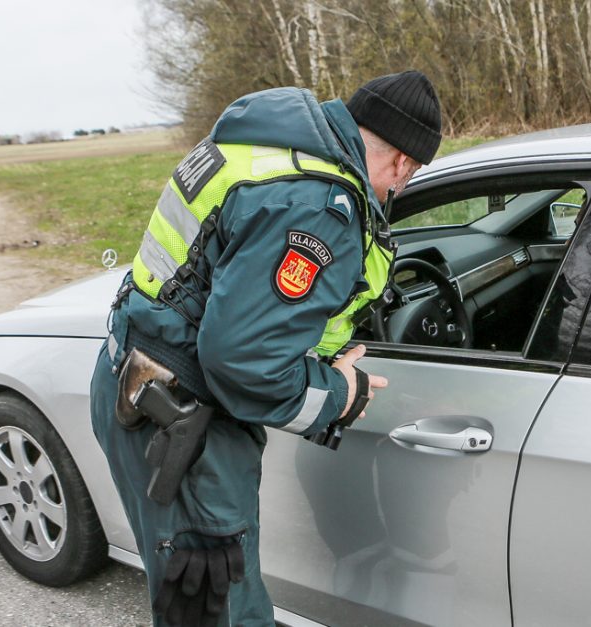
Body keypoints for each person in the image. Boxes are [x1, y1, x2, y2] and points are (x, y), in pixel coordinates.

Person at [90, 70, 442, 626]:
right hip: (183, 421)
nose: (397, 191)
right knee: (211, 598)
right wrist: (339, 393)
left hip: (145, 381)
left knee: (214, 592)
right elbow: (244, 362)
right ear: (402, 162)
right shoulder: (314, 205)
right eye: (409, 176)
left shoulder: (269, 146)